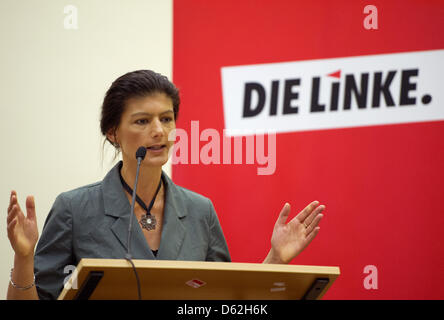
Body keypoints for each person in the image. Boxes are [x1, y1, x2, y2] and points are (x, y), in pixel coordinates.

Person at [6, 70, 325, 300]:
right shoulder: (74, 209)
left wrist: (276, 259)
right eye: (142, 121)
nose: (159, 131)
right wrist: (24, 257)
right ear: (113, 133)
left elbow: (228, 303)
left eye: (167, 118)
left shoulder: (200, 210)